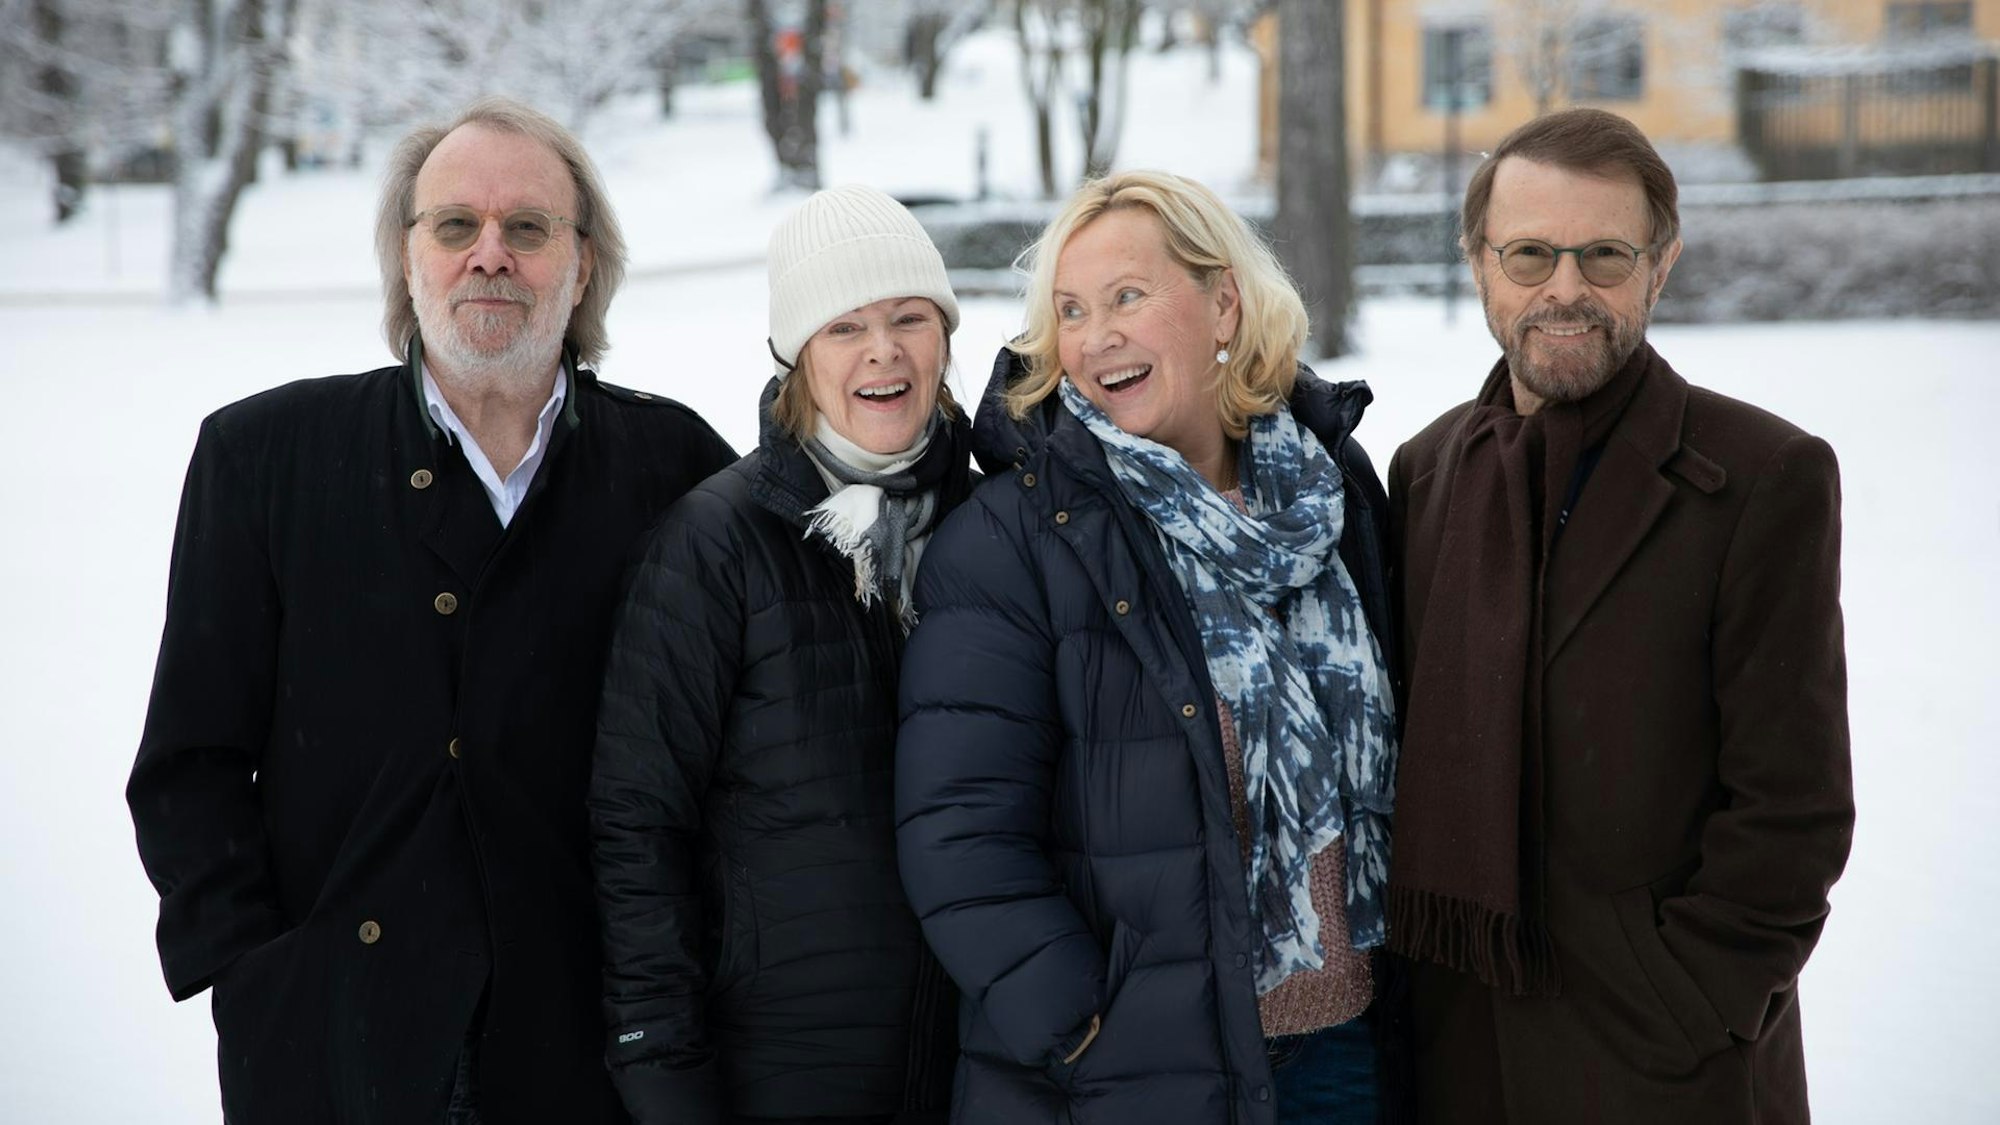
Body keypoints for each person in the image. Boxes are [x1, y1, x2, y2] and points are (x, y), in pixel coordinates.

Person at [126, 96, 736, 1124]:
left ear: (582, 262)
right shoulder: (264, 460)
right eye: (456, 225)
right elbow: (190, 766)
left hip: (590, 1057)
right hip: (338, 1053)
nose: (490, 254)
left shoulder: (672, 468)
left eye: (527, 227)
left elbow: (747, 757)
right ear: (407, 259)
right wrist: (259, 974)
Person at [896, 170, 1404, 1125]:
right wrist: (1083, 1027)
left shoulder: (1332, 491)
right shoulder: (1016, 536)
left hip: (1346, 1052)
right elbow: (960, 833)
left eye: (1127, 296)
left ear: (1224, 305)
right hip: (1139, 1074)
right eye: (1071, 311)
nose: (1096, 337)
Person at [1385, 107, 1853, 1124]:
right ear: (1478, 263)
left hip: (1663, 1068)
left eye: (1603, 254)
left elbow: (1792, 810)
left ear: (1660, 265)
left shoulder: (1760, 477)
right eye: (1528, 254)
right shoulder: (1424, 473)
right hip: (1455, 1053)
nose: (1564, 287)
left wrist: (1692, 1001)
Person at [589, 185, 968, 1125]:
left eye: (908, 317)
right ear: (798, 359)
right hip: (779, 1070)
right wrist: (664, 1071)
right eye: (844, 327)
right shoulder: (715, 544)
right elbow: (639, 826)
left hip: (977, 1068)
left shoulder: (996, 522)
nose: (882, 350)